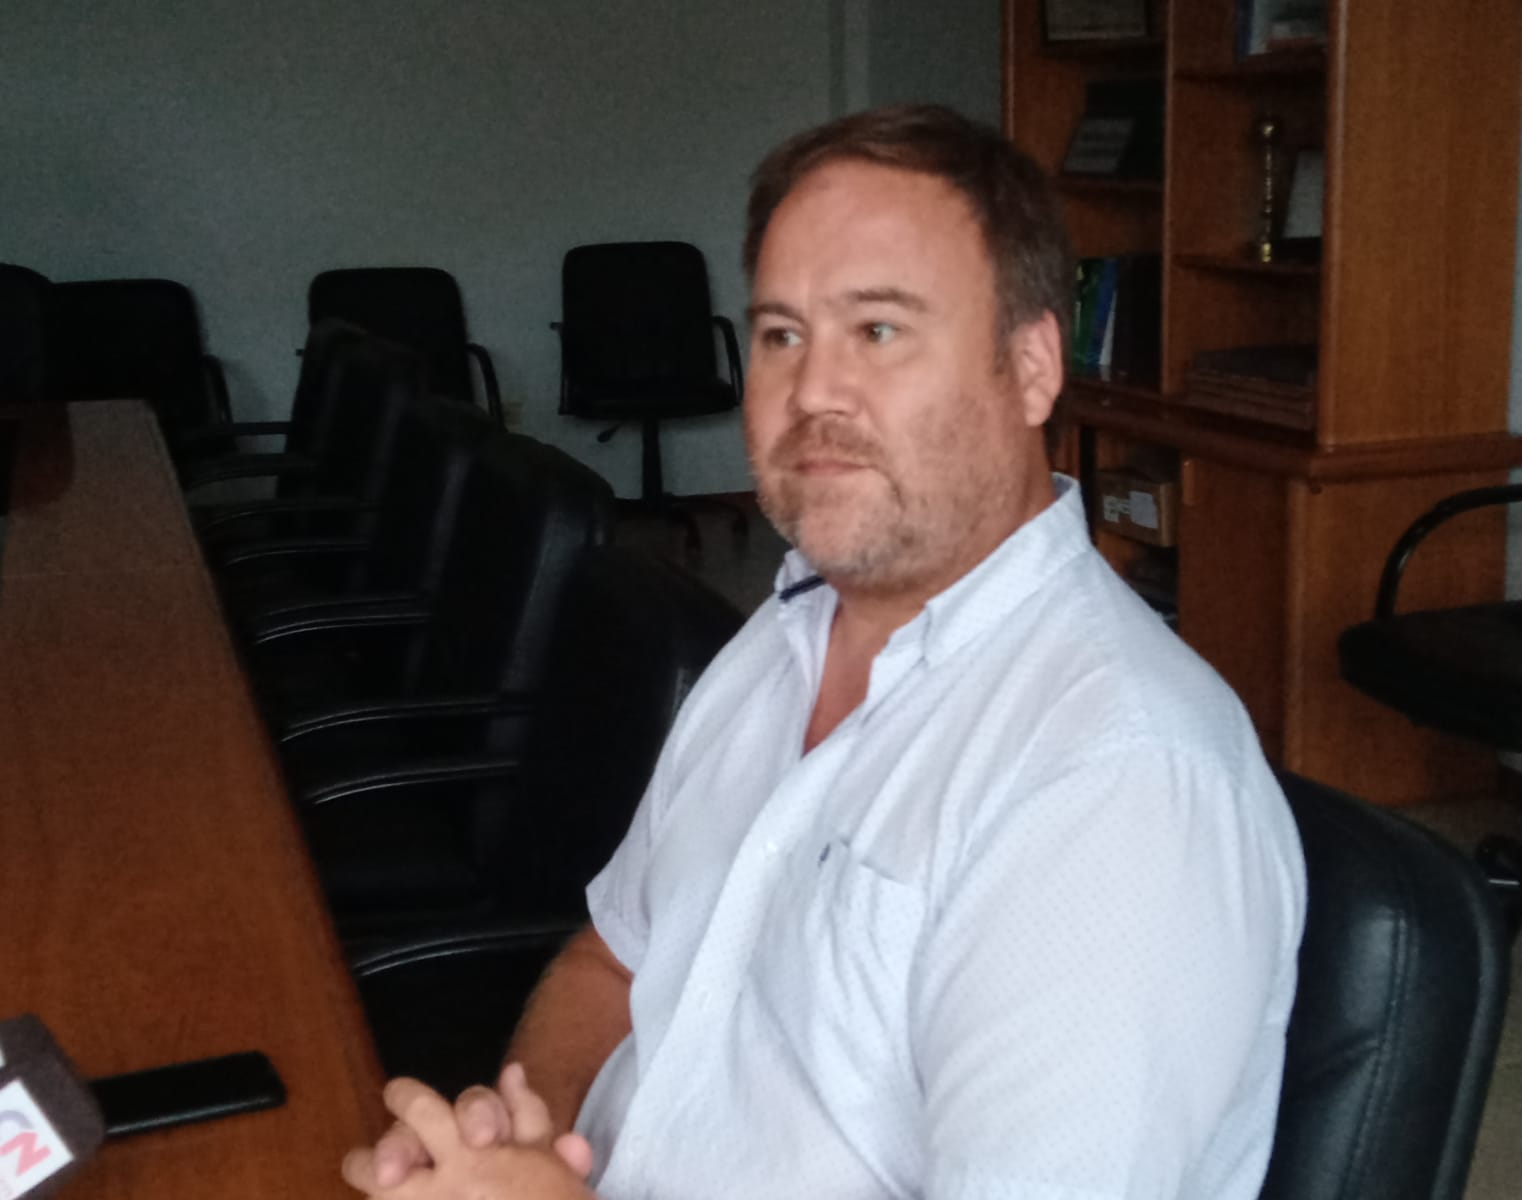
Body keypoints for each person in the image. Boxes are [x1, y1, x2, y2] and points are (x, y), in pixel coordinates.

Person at [341, 103, 1306, 1200]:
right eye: (780, 335)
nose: (811, 392)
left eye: (878, 330)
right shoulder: (782, 634)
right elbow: (616, 958)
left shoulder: (1116, 786)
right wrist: (518, 1135)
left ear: (1033, 366)